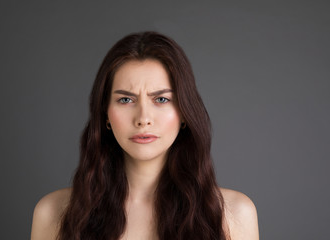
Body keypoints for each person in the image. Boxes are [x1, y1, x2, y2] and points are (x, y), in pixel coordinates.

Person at [31, 31, 259, 240]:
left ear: (184, 113)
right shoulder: (53, 213)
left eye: (161, 99)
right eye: (125, 100)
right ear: (106, 115)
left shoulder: (235, 214)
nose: (143, 118)